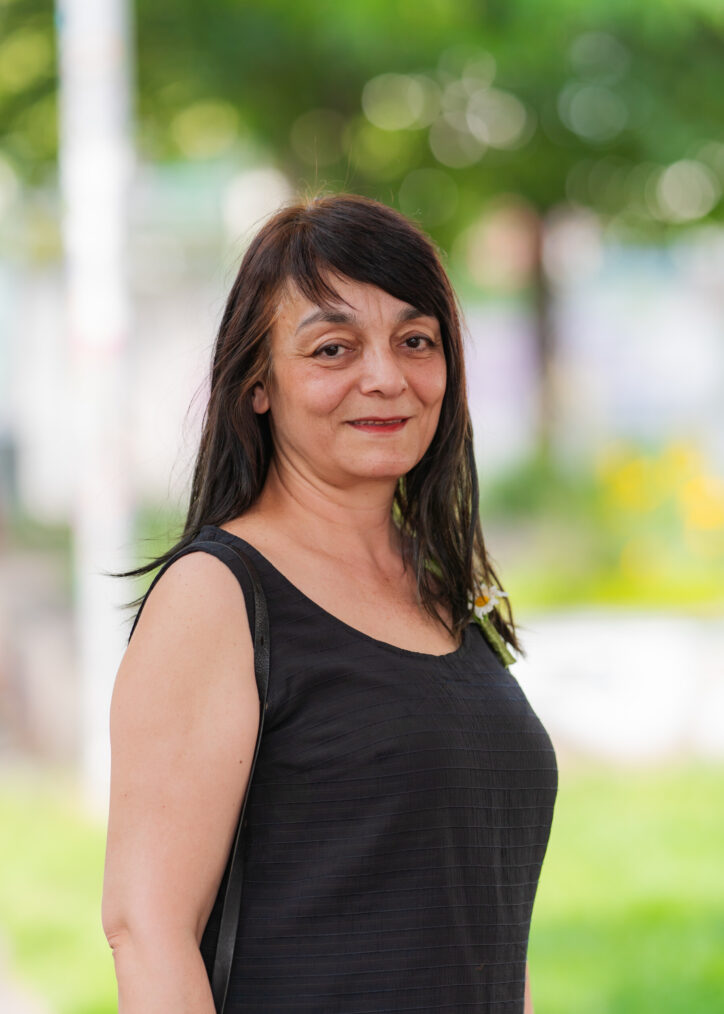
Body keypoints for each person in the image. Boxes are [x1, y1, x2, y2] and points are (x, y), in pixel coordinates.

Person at [101, 192, 558, 1013]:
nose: (385, 378)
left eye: (415, 342)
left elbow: (481, 921)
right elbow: (148, 928)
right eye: (333, 348)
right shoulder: (217, 597)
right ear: (258, 382)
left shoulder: (445, 588)